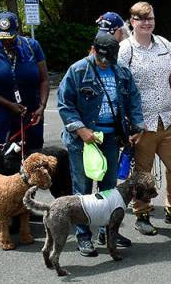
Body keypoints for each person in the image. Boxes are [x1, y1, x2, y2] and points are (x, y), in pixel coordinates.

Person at [57, 31, 144, 255]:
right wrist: (81, 129)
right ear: (93, 49)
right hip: (83, 141)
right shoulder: (77, 70)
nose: (105, 63)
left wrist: (137, 127)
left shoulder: (121, 72)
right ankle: (83, 236)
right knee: (83, 190)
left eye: (109, 60)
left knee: (109, 190)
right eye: (101, 58)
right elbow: (65, 104)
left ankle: (108, 233)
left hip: (112, 139)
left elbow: (133, 99)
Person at [118, 1, 171, 235]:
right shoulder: (126, 49)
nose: (146, 22)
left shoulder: (163, 44)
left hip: (167, 118)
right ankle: (142, 213)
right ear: (132, 22)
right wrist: (128, 121)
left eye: (150, 18)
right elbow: (121, 86)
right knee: (142, 172)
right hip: (141, 123)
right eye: (141, 19)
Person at [0, 11, 49, 150]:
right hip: (3, 112)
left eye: (10, 37)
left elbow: (44, 79)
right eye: (1, 38)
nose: (6, 41)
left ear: (17, 31)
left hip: (32, 111)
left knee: (33, 153)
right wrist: (9, 104)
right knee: (4, 154)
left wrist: (42, 106)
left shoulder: (32, 46)